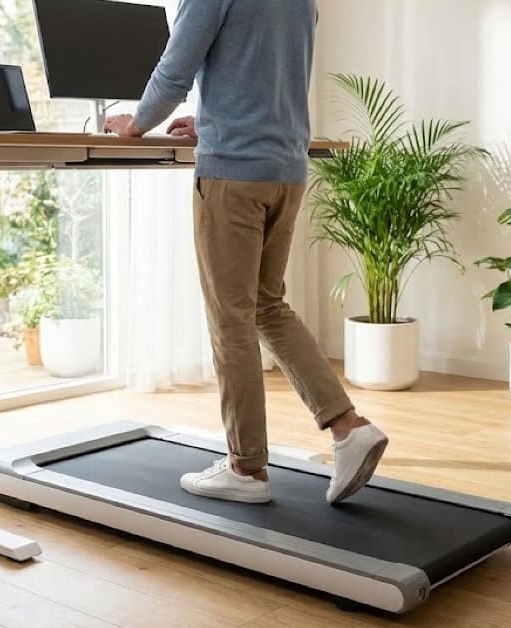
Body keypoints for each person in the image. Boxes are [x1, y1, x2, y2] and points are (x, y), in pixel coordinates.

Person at [104, 0, 387, 505]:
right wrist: (212, 117)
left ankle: (246, 468)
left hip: (234, 172)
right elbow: (266, 75)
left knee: (230, 319)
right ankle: (348, 427)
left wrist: (135, 123)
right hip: (285, 168)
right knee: (266, 307)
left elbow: (174, 70)